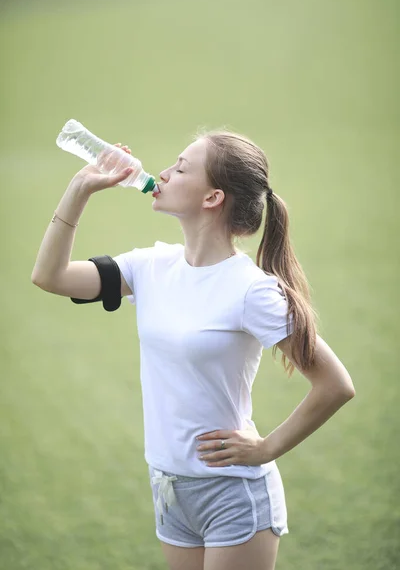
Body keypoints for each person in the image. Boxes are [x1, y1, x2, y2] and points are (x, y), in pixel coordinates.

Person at [31, 130, 355, 570]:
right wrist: (79, 189)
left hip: (231, 494)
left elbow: (335, 385)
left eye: (181, 168)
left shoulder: (251, 291)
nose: (163, 172)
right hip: (169, 487)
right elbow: (50, 277)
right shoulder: (150, 266)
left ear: (212, 198)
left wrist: (266, 448)